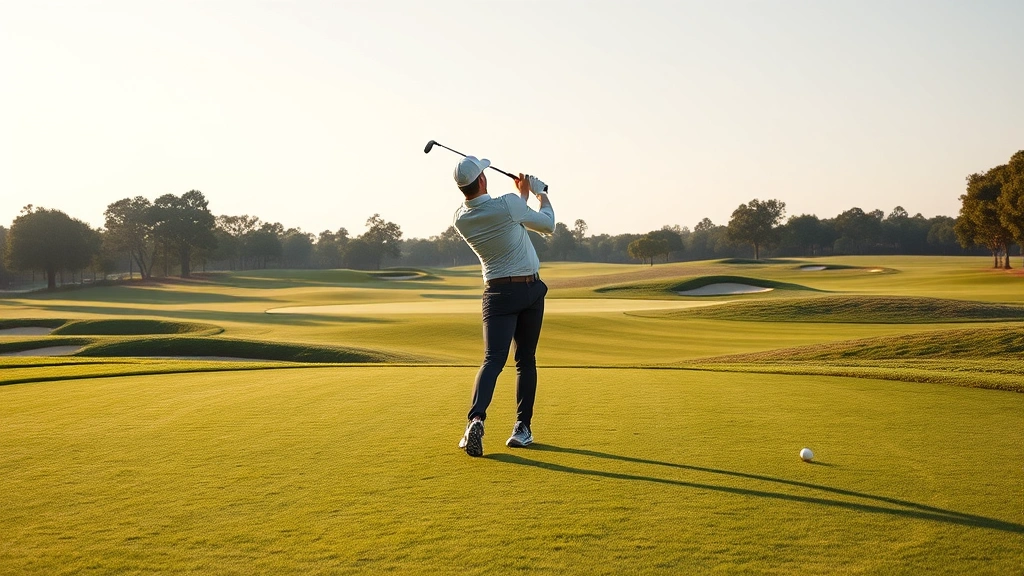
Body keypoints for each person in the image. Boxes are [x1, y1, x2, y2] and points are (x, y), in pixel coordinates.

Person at [451, 155, 554, 457]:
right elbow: (547, 225)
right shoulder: (508, 204)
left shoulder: (460, 218)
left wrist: (521, 195)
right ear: (482, 180)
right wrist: (539, 193)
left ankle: (475, 420)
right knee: (525, 360)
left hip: (496, 295)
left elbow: (509, 214)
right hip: (529, 290)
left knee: (492, 360)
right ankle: (522, 428)